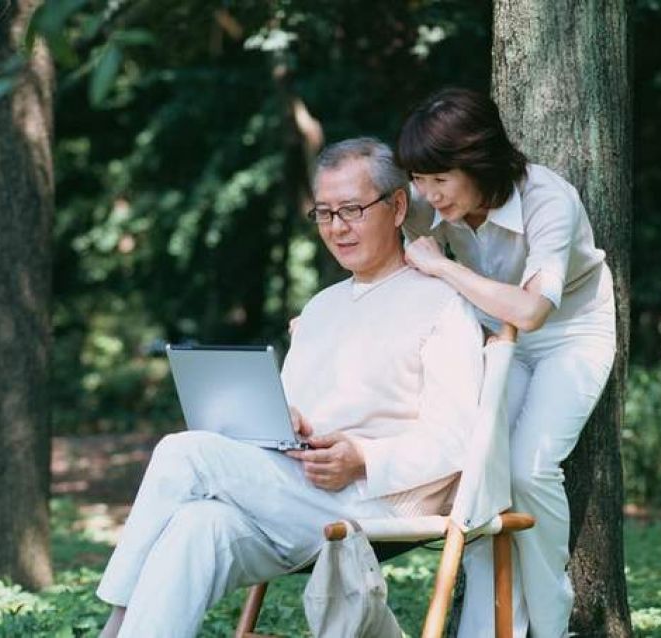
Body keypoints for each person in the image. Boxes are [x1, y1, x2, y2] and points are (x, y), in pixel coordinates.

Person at [96, 137, 485, 638]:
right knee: (197, 526)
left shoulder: (442, 304)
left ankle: (113, 622)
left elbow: (455, 441)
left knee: (182, 452)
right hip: (296, 495)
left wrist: (361, 456)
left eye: (351, 209)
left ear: (396, 207)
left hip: (372, 502)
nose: (337, 228)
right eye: (324, 213)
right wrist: (288, 423)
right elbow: (294, 409)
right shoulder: (321, 307)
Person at [396, 87, 617, 638]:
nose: (427, 194)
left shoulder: (547, 198)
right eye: (419, 180)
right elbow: (376, 224)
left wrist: (444, 269)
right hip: (498, 339)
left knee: (529, 468)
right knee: (483, 478)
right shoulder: (430, 197)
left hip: (572, 333)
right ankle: (491, 628)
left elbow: (534, 309)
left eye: (439, 179)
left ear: (478, 161)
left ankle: (552, 623)